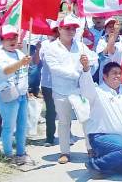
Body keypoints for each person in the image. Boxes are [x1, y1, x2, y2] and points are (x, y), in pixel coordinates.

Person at [42, 15, 99, 164]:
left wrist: (87, 66)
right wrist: (77, 73)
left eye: (73, 28)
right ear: (59, 29)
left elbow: (93, 59)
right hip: (61, 91)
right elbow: (54, 69)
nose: (71, 31)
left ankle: (90, 148)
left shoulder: (80, 45)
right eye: (67, 28)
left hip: (79, 90)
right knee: (64, 122)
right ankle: (64, 151)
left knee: (86, 119)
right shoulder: (51, 47)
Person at [0, 25, 33, 165]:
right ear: (2, 40)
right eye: (7, 38)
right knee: (9, 126)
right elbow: (6, 71)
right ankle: (8, 153)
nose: (11, 40)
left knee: (22, 126)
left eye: (14, 37)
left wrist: (26, 90)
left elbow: (23, 74)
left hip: (21, 95)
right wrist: (21, 63)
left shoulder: (20, 53)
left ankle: (21, 153)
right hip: (7, 95)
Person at [37, 21, 59, 147]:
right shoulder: (44, 45)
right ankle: (49, 137)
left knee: (63, 111)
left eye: (56, 30)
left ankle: (68, 135)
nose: (54, 34)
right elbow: (36, 62)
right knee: (50, 111)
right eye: (52, 31)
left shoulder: (64, 44)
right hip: (47, 83)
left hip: (61, 83)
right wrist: (37, 50)